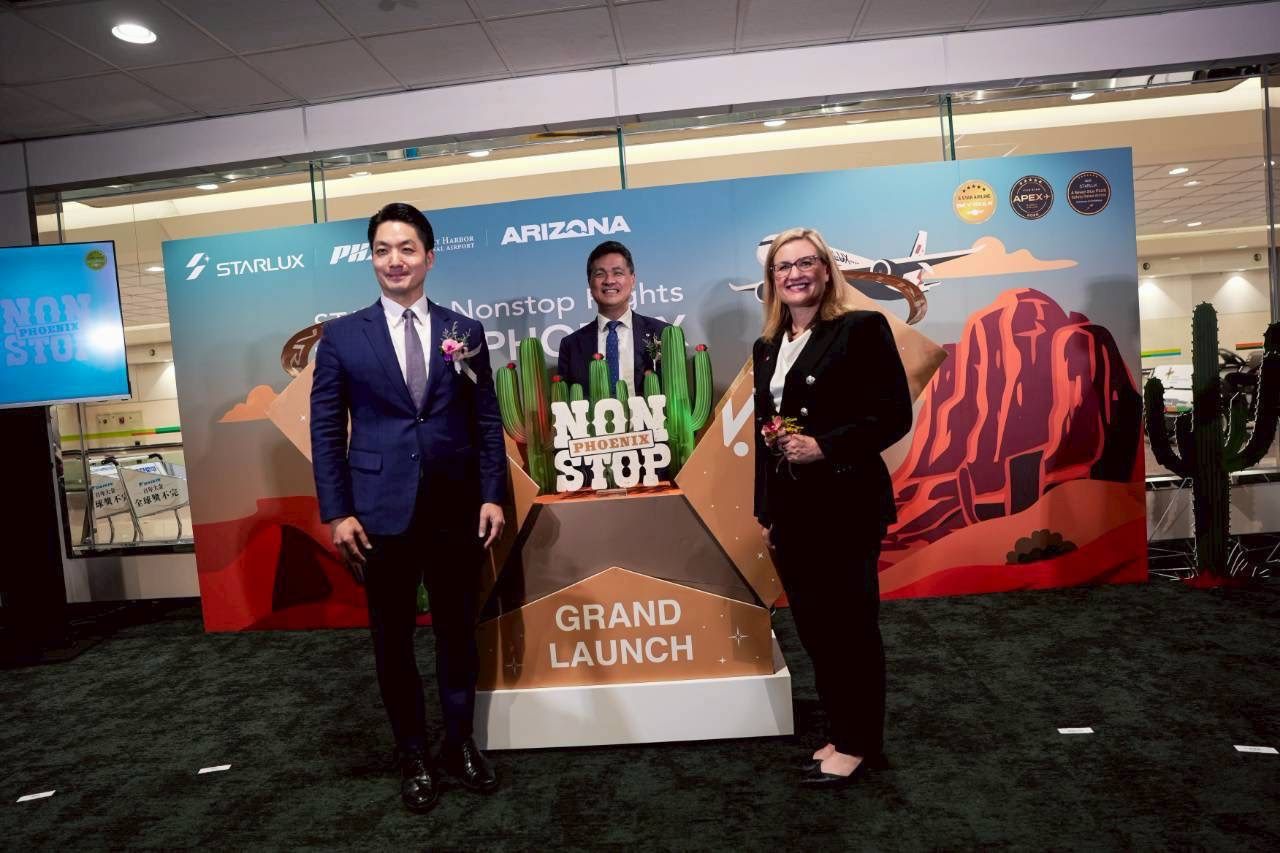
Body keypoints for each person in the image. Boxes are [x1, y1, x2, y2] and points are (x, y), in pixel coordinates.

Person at [310, 202, 507, 814]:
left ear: (429, 257)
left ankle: (460, 744)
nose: (394, 260)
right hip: (378, 515)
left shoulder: (465, 331)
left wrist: (491, 493)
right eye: (382, 250)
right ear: (372, 259)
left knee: (457, 635)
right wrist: (338, 512)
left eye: (406, 249)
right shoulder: (343, 336)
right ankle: (413, 754)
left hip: (455, 509)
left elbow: (486, 421)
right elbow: (326, 430)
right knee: (392, 641)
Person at [751, 227, 912, 787]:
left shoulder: (861, 328)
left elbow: (894, 416)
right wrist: (766, 512)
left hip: (846, 503)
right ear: (772, 280)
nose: (794, 274)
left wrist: (825, 446)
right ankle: (844, 731)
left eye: (805, 263)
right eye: (783, 266)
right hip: (793, 509)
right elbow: (763, 435)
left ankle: (860, 743)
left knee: (851, 628)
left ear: (825, 270)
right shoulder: (767, 346)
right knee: (816, 629)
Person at [557, 240, 670, 393]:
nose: (609, 281)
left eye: (618, 273)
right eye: (600, 274)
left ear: (633, 279)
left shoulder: (663, 333)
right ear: (589, 283)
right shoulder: (571, 345)